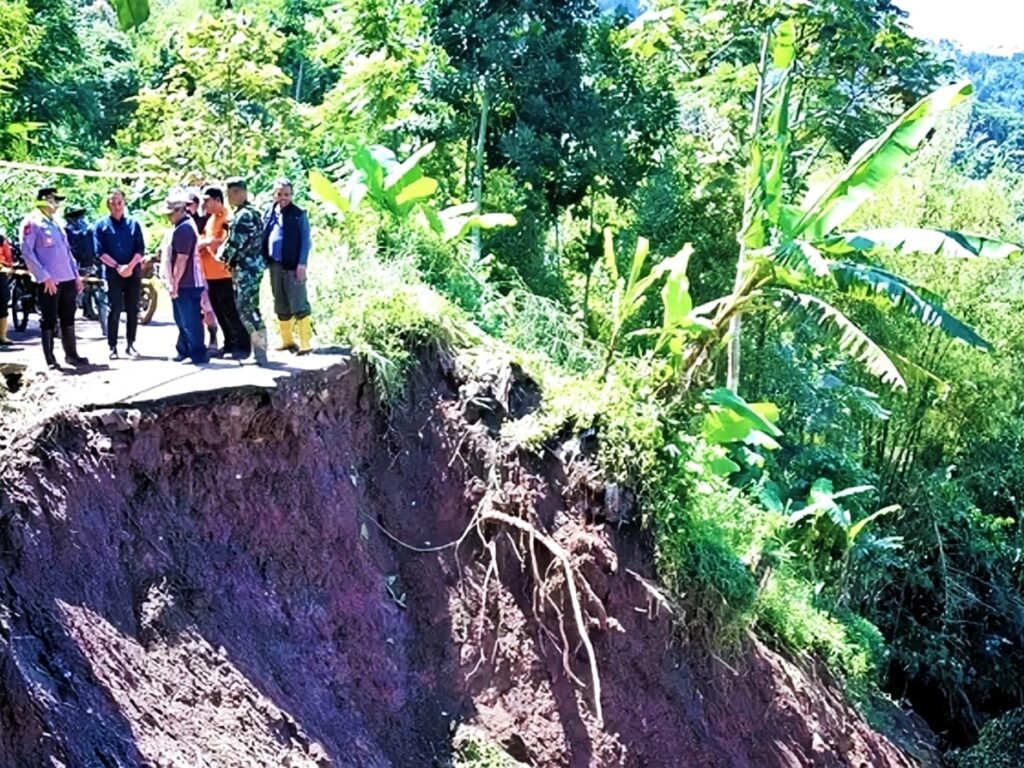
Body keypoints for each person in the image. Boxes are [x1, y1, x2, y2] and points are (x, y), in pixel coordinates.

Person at [20, 185, 88, 369]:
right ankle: (50, 359)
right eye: (54, 199)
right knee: (49, 318)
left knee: (68, 316)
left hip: (67, 277)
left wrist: (76, 276)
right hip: (49, 281)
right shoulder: (32, 223)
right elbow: (27, 252)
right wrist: (43, 276)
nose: (57, 204)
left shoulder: (55, 223)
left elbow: (67, 252)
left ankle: (72, 355)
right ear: (44, 199)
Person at [262, 178, 313, 355]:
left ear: (291, 195)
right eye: (279, 194)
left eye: (286, 194)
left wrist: (302, 264)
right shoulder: (269, 213)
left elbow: (306, 241)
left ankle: (305, 342)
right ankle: (287, 340)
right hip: (275, 265)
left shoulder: (299, 214)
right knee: (280, 302)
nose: (283, 197)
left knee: (298, 302)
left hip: (293, 266)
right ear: (274, 194)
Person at [220, 177, 268, 366]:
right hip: (249, 267)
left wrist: (223, 257)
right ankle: (259, 351)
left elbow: (235, 243)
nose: (229, 198)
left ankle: (261, 352)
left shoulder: (244, 216)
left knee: (247, 309)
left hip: (247, 269)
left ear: (239, 192)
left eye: (231, 193)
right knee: (247, 308)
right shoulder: (251, 213)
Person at [93, 189, 145, 359]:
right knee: (114, 309)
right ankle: (112, 346)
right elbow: (100, 252)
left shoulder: (133, 224)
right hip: (112, 274)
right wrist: (118, 267)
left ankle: (131, 344)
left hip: (133, 272)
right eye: (112, 203)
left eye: (119, 202)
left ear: (124, 203)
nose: (116, 206)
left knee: (132, 309)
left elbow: (140, 250)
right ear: (108, 205)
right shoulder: (101, 226)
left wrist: (129, 267)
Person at [199, 186, 249, 359]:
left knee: (231, 311)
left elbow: (226, 241)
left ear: (217, 200)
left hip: (224, 273)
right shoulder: (210, 220)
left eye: (207, 200)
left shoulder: (228, 217)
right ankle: (228, 343)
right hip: (210, 274)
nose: (204, 204)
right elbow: (206, 238)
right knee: (219, 311)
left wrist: (207, 243)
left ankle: (242, 346)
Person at [163, 191, 207, 365]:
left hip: (187, 282)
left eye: (171, 213)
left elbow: (182, 260)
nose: (168, 217)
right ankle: (183, 349)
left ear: (181, 210)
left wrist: (175, 283)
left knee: (190, 320)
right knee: (181, 319)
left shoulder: (185, 229)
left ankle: (198, 353)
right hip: (184, 282)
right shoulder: (180, 227)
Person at [0, 232, 13, 346]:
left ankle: (2, 336)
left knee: (2, 303)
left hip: (1, 274)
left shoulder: (1, 239)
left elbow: (8, 257)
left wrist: (8, 266)